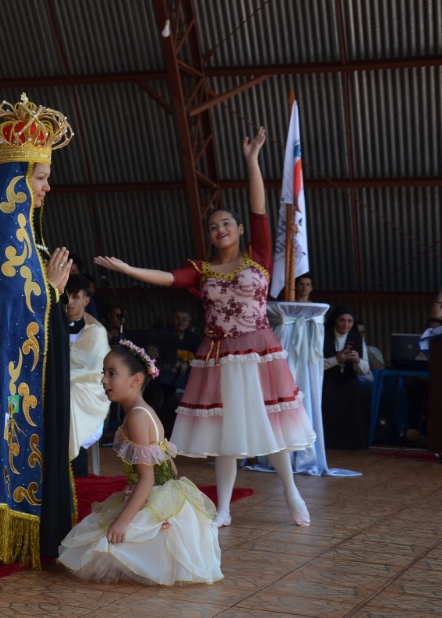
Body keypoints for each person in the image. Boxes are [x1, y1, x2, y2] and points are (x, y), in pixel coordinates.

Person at [94, 127, 315, 529]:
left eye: (227, 223)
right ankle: (225, 507)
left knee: (271, 426)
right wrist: (127, 269)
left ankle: (291, 492)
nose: (221, 229)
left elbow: (259, 208)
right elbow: (166, 277)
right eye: (213, 226)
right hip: (219, 356)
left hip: (260, 352)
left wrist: (252, 161)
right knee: (226, 433)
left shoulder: (260, 256)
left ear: (240, 230)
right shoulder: (202, 270)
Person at [0, 93, 75, 568]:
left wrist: (51, 293)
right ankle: (5, 530)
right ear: (17, 181)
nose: (47, 188)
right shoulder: (6, 234)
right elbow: (14, 306)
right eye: (41, 178)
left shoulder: (22, 233)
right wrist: (50, 291)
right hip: (9, 376)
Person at [58, 342, 222, 585]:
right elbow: (170, 467)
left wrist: (123, 521)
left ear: (135, 379)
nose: (104, 380)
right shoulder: (146, 411)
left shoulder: (136, 417)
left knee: (103, 543)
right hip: (166, 495)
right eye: (104, 372)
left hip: (155, 496)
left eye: (112, 373)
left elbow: (148, 478)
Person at [65, 274, 111, 478]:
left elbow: (94, 372)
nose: (70, 302)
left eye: (76, 297)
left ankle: (77, 467)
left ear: (86, 300)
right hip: (50, 385)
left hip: (86, 390)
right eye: (66, 296)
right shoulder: (45, 326)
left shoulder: (96, 331)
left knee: (72, 397)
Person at [321, 307, 371, 450]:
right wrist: (336, 359)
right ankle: (327, 442)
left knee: (356, 395)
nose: (346, 325)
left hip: (348, 380)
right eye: (342, 320)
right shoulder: (323, 336)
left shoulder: (358, 339)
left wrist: (357, 361)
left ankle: (352, 443)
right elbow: (315, 365)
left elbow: (365, 370)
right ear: (335, 321)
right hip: (327, 379)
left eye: (350, 321)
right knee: (325, 395)